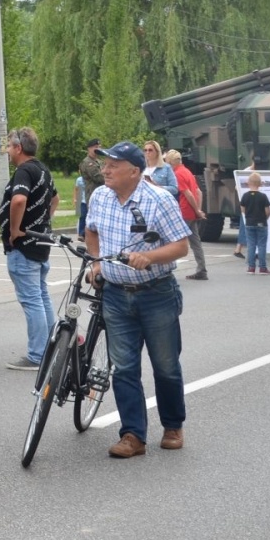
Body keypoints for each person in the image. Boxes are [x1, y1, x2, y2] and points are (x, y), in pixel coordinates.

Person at [85, 141, 191, 457]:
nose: (105, 170)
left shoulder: (159, 200)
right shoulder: (100, 196)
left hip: (156, 294)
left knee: (166, 365)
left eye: (112, 166)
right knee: (124, 367)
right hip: (116, 295)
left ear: (134, 172)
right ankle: (133, 435)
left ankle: (172, 425)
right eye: (105, 165)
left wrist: (151, 257)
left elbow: (181, 245)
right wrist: (96, 263)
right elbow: (91, 230)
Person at [0, 127, 57, 370]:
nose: (8, 151)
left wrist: (15, 229)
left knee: (32, 300)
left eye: (10, 147)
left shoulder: (24, 171)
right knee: (41, 296)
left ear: (19, 148)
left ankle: (37, 355)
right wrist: (42, 222)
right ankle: (52, 349)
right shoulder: (43, 169)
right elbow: (55, 198)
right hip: (39, 243)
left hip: (23, 247)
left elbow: (19, 199)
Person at [163, 150, 209, 280]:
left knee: (172, 241)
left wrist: (197, 210)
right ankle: (201, 269)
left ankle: (166, 270)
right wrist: (198, 210)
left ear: (170, 162)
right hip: (192, 212)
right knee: (195, 242)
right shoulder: (187, 172)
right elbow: (198, 192)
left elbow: (188, 194)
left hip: (184, 211)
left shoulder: (177, 174)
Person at [240, 171, 270, 274]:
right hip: (261, 223)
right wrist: (265, 218)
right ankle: (262, 268)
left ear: (248, 183)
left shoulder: (245, 196)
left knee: (251, 245)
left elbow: (243, 209)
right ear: (260, 184)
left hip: (249, 223)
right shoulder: (263, 196)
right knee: (262, 245)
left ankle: (251, 267)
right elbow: (267, 211)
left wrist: (249, 215)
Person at [78, 138, 105, 239]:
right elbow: (99, 178)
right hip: (92, 194)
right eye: (95, 147)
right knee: (93, 220)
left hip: (102, 193)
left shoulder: (99, 161)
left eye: (99, 147)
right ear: (89, 149)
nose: (98, 149)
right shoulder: (87, 162)